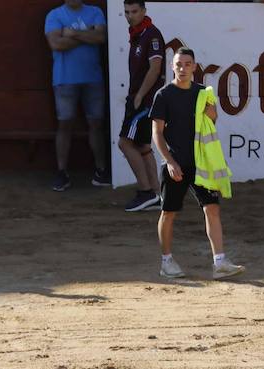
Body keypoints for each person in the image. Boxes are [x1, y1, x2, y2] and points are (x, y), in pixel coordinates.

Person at [150, 47, 244, 280]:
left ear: (194, 66)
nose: (182, 68)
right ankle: (166, 261)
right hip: (176, 163)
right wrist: (169, 162)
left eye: (187, 64)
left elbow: (211, 122)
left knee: (212, 208)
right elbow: (157, 134)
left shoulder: (203, 93)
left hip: (202, 162)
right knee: (169, 212)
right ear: (172, 66)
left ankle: (220, 262)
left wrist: (213, 114)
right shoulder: (163, 95)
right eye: (179, 64)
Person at [44, 0, 109, 193]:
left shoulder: (95, 11)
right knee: (65, 124)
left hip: (92, 78)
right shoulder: (54, 15)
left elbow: (101, 37)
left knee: (96, 124)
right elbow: (56, 43)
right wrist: (87, 34)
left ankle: (101, 170)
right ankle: (62, 171)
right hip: (65, 79)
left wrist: (71, 34)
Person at [119, 0, 164, 213]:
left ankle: (146, 192)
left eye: (134, 11)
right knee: (143, 146)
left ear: (144, 11)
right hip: (143, 98)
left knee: (125, 143)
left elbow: (155, 68)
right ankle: (156, 193)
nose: (130, 15)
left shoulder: (151, 34)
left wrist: (139, 96)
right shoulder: (138, 33)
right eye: (127, 12)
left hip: (144, 100)